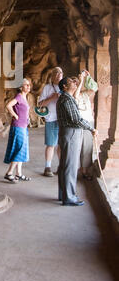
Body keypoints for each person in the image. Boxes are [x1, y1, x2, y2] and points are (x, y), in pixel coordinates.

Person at [56, 77, 98, 206]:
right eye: (71, 81)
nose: (74, 83)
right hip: (71, 133)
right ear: (64, 86)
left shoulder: (67, 98)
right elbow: (76, 119)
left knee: (65, 165)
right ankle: (69, 197)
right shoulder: (66, 99)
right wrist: (91, 128)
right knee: (71, 166)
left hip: (69, 132)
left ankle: (64, 194)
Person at [3, 78, 32, 183]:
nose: (29, 86)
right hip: (18, 126)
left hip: (23, 126)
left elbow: (24, 111)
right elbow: (8, 105)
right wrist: (15, 115)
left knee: (22, 149)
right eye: (26, 85)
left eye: (29, 85)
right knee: (19, 149)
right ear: (21, 87)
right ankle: (9, 173)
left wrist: (27, 118)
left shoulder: (25, 97)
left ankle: (18, 174)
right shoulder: (19, 96)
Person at [38, 67, 63, 177]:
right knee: (51, 144)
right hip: (51, 118)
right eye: (56, 73)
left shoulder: (65, 86)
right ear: (52, 76)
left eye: (60, 73)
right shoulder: (47, 88)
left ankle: (61, 167)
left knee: (61, 145)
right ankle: (47, 167)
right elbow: (40, 105)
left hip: (63, 120)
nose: (58, 75)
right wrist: (52, 98)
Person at [72, 71, 97, 181]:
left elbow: (94, 88)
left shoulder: (85, 94)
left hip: (88, 123)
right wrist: (81, 81)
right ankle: (74, 169)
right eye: (75, 83)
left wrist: (88, 77)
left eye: (78, 83)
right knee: (76, 147)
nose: (78, 85)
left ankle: (85, 170)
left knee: (87, 147)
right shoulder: (72, 96)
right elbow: (76, 95)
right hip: (79, 124)